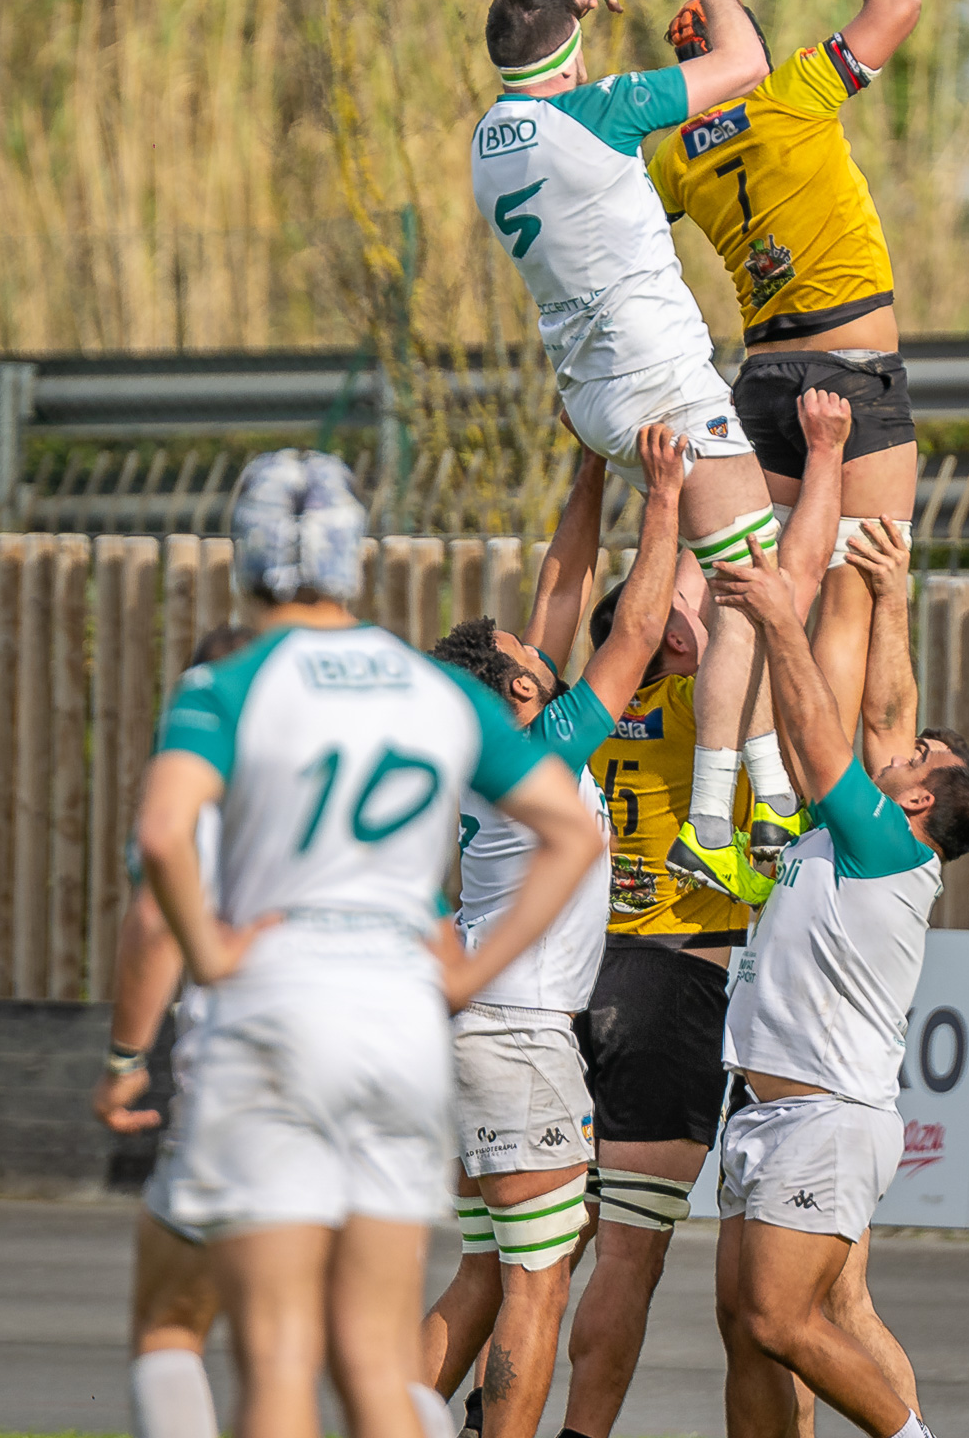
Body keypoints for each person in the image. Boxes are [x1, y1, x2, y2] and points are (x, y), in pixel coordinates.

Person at [135, 450, 605, 1438]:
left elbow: (163, 838)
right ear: (355, 560)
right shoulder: (440, 695)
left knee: (273, 1360)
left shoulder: (229, 682)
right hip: (399, 1030)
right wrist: (472, 967)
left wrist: (212, 959)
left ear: (245, 560)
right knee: (375, 1363)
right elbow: (571, 832)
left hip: (278, 1014)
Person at [473, 0, 799, 897]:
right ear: (572, 62)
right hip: (661, 383)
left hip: (594, 396)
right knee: (756, 588)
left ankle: (772, 804)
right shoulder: (600, 108)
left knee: (747, 582)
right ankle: (712, 820)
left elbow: (538, 97)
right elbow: (744, 63)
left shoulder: (489, 136)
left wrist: (566, 19)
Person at [563, 390, 849, 1438]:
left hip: (570, 980)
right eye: (688, 612)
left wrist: (608, 476)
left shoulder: (576, 715)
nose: (700, 612)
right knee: (631, 1260)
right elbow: (777, 582)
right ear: (673, 641)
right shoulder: (699, 700)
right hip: (671, 979)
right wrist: (801, 462)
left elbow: (575, 593)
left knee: (529, 1253)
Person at [420, 424, 686, 1438]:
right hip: (521, 1033)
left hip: (475, 1033)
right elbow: (628, 632)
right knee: (534, 1289)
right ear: (519, 690)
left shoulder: (496, 749)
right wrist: (659, 494)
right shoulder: (539, 752)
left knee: (486, 1274)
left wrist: (587, 472)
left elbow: (559, 592)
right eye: (537, 660)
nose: (551, 653)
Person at [710, 515, 969, 1438]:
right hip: (768, 1113)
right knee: (747, 1334)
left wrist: (776, 621)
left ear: (917, 800)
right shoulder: (865, 832)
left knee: (780, 1320)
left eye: (917, 761)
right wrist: (890, 595)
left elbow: (815, 719)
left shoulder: (881, 842)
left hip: (824, 1120)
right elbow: (881, 715)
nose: (901, 750)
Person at [648, 0, 923, 734]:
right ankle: (819, 801)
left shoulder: (672, 158)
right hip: (853, 375)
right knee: (846, 602)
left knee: (751, 597)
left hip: (760, 387)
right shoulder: (792, 90)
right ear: (749, 51)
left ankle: (727, 780)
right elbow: (897, 5)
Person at [93, 626, 250, 1438]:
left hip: (245, 1066)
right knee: (348, 1346)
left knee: (169, 1325)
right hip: (371, 1072)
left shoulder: (192, 783)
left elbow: (155, 916)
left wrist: (124, 1061)